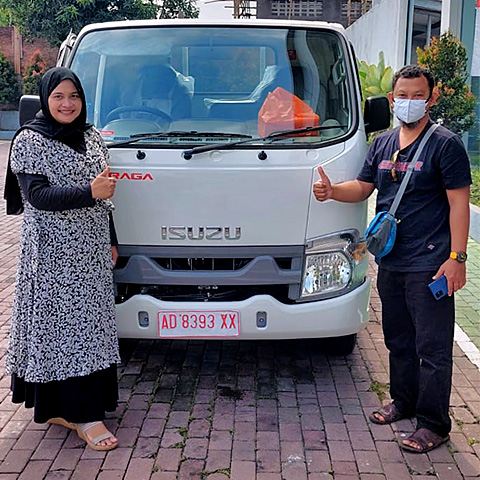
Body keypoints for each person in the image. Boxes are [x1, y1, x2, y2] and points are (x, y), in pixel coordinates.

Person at [313, 65, 471, 454]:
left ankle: (433, 423)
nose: (409, 102)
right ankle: (404, 402)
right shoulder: (383, 143)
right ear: (391, 99)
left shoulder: (445, 145)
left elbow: (459, 204)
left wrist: (457, 257)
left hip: (430, 262)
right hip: (391, 260)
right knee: (398, 339)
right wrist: (332, 192)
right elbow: (364, 187)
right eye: (403, 95)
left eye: (418, 96)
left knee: (432, 348)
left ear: (432, 98)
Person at [3, 67, 121, 451]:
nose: (67, 104)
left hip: (91, 252)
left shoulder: (92, 137)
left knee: (91, 329)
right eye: (58, 96)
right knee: (64, 330)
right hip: (53, 256)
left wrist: (112, 239)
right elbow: (37, 196)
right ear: (44, 99)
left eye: (74, 96)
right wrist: (89, 191)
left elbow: (106, 195)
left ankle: (63, 408)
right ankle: (84, 416)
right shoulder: (29, 140)